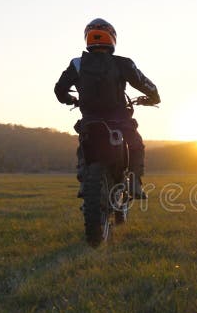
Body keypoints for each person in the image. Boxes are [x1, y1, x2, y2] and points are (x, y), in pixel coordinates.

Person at [55, 18, 160, 199]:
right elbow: (144, 83)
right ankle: (134, 182)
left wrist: (70, 99)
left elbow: (59, 90)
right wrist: (154, 97)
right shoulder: (122, 63)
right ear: (112, 38)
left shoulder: (77, 64)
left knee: (84, 146)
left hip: (90, 120)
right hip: (120, 121)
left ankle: (84, 182)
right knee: (136, 145)